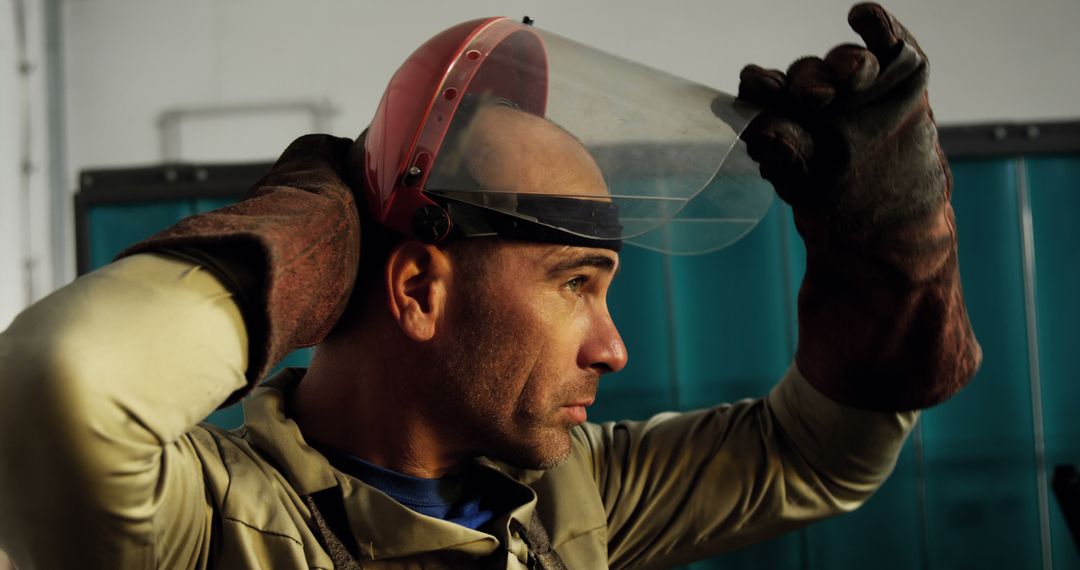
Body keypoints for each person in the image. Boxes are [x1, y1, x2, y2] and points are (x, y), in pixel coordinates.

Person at [0, 3, 980, 568]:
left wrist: (887, 250)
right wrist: (310, 230)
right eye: (575, 283)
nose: (614, 346)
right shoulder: (199, 523)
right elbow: (58, 383)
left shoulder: (569, 493)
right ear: (418, 290)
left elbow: (817, 457)